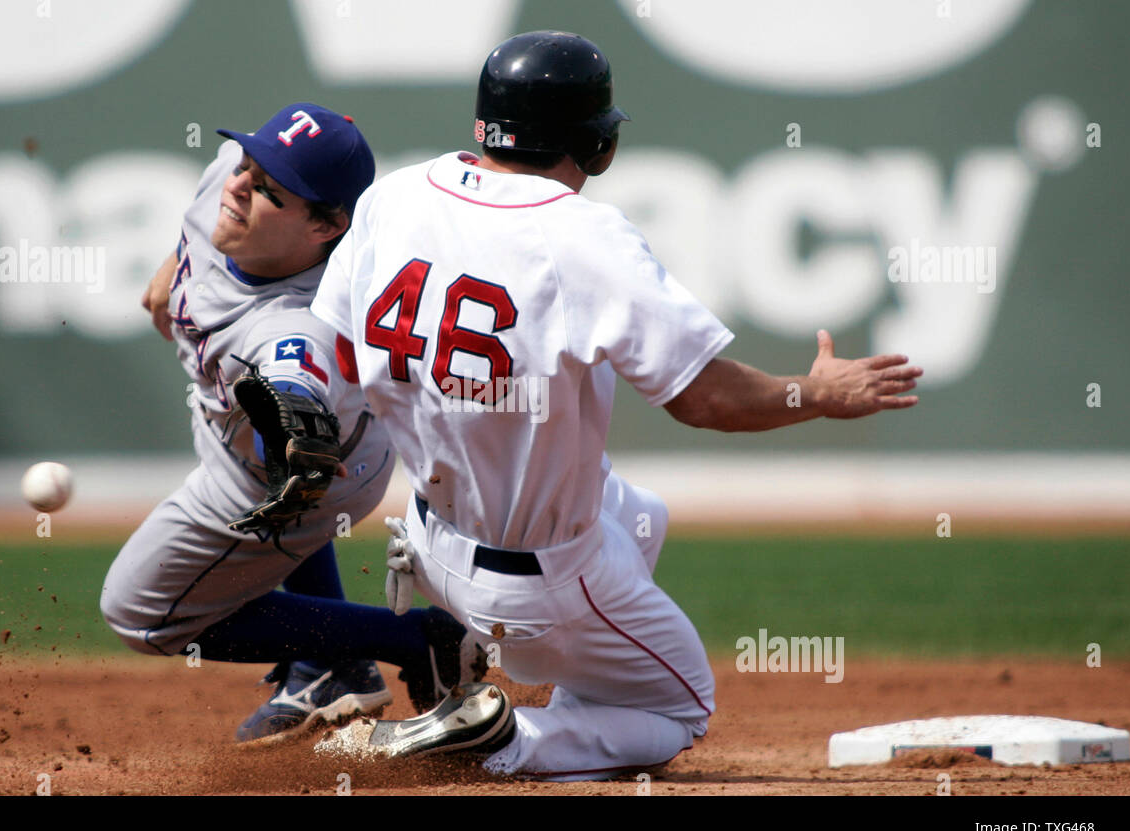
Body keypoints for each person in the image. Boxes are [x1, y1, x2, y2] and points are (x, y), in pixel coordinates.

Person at [309, 33, 922, 778]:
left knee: (641, 514)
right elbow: (705, 401)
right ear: (597, 145)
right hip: (532, 585)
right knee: (678, 709)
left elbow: (334, 353)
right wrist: (818, 394)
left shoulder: (396, 196)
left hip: (429, 539)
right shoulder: (580, 233)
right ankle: (506, 743)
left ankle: (493, 666)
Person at [100, 103, 483, 745]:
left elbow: (295, 387)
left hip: (298, 473)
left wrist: (293, 437)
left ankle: (417, 638)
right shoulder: (233, 177)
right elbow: (220, 197)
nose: (241, 185)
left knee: (139, 613)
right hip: (234, 420)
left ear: (326, 226)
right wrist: (174, 262)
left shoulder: (295, 324)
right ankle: (330, 672)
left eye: (271, 189)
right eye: (249, 161)